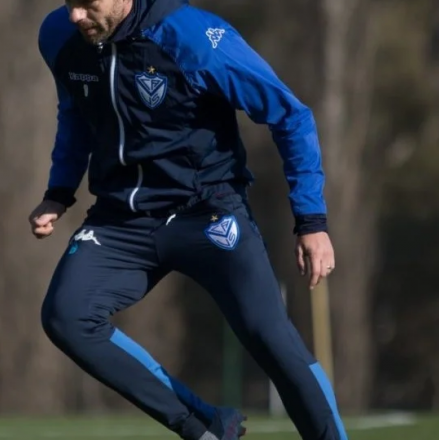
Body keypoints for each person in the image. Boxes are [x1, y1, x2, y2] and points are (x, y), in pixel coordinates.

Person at [29, 1, 347, 439]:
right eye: (70, 2)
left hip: (208, 212)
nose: (75, 16)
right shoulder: (59, 37)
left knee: (270, 339)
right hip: (120, 219)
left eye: (89, 3)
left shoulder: (194, 38)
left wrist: (311, 220)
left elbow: (291, 115)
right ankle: (207, 428)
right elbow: (76, 113)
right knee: (67, 316)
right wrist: (59, 191)